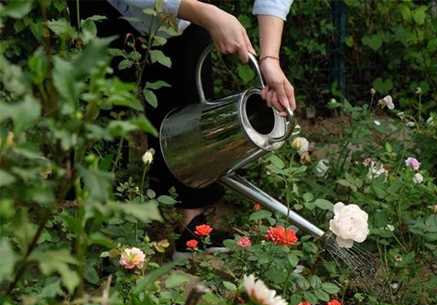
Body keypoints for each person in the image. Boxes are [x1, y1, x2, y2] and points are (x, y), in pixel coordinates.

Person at [67, 0, 296, 255]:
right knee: (101, 114)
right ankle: (95, 234)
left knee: (188, 95)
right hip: (108, 8)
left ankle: (192, 226)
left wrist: (269, 59)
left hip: (187, 13)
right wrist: (205, 14)